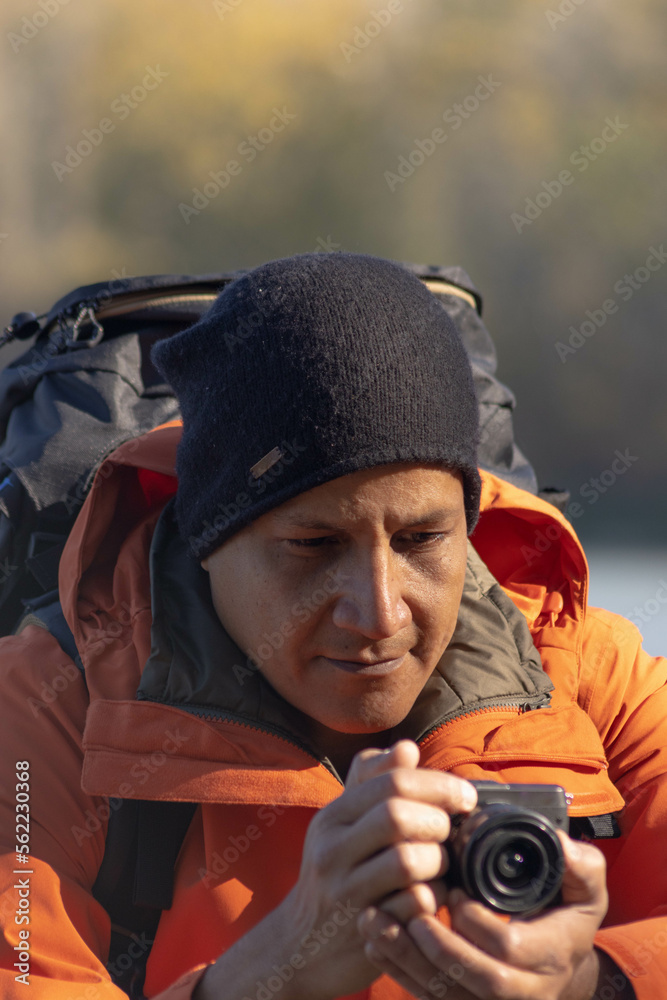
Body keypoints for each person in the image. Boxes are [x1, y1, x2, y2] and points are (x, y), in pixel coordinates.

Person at [0, 252, 665, 1000]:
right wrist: (267, 973)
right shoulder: (40, 707)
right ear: (206, 541)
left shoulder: (586, 675)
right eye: (312, 547)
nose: (377, 613)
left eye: (422, 541)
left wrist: (589, 983)